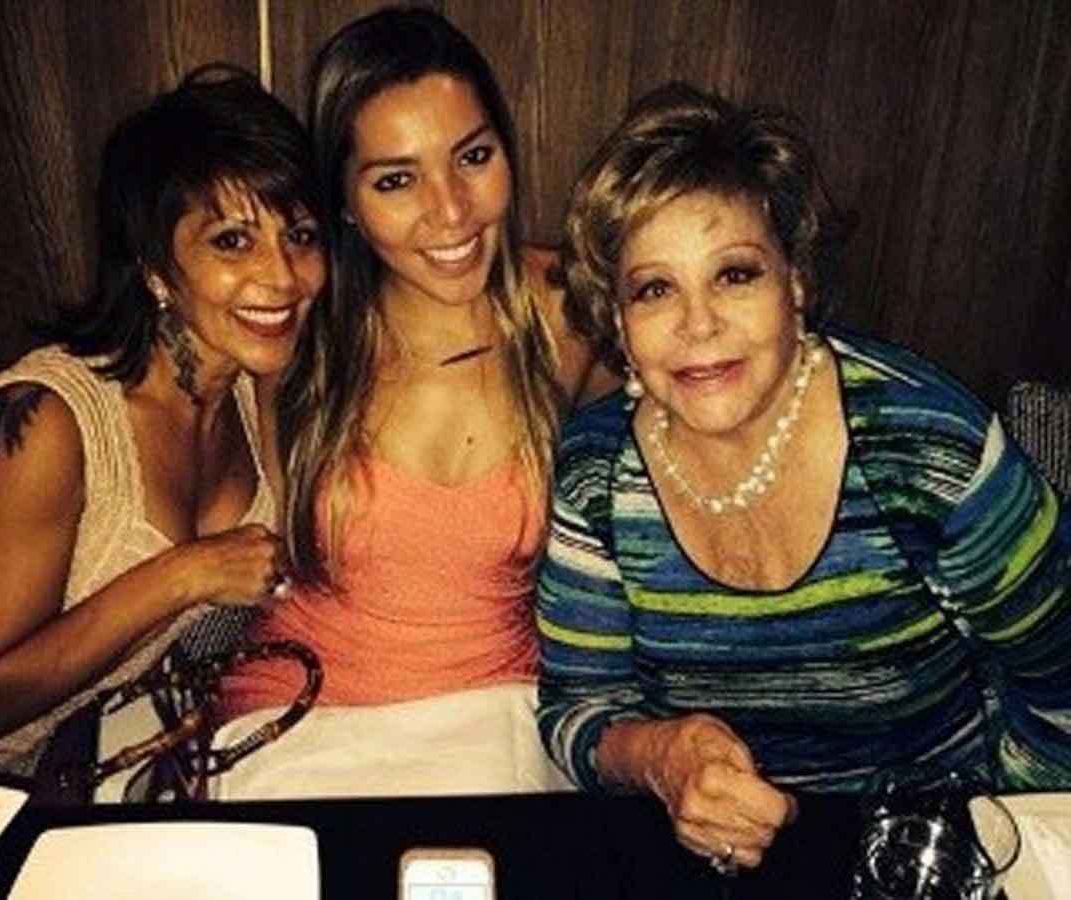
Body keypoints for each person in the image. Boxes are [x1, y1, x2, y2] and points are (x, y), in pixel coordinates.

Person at [536, 80, 1071, 873]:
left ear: (793, 281)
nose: (698, 324)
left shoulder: (928, 445)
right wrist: (662, 759)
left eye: (735, 274)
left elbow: (1060, 688)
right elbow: (577, 709)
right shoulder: (595, 471)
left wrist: (996, 855)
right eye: (654, 289)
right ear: (619, 321)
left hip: (922, 845)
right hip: (696, 848)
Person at [0, 64, 324, 773]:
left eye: (300, 235)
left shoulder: (254, 383)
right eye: (232, 241)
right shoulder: (46, 422)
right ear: (154, 268)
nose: (283, 276)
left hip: (19, 777)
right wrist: (184, 575)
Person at [222, 6, 607, 714]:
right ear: (345, 202)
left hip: (493, 713)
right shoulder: (302, 324)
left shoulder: (566, 312)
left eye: (473, 157)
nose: (451, 211)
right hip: (298, 707)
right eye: (396, 181)